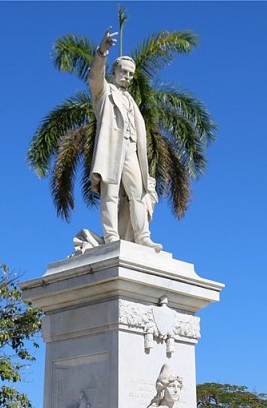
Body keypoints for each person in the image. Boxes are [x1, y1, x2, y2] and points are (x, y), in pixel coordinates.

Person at [88, 28, 162, 252]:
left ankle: (143, 236)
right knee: (110, 194)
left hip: (131, 150)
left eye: (131, 74)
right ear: (114, 71)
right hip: (112, 149)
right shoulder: (104, 93)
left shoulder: (132, 101)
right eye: (124, 71)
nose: (127, 77)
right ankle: (111, 235)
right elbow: (94, 77)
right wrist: (102, 52)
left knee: (138, 193)